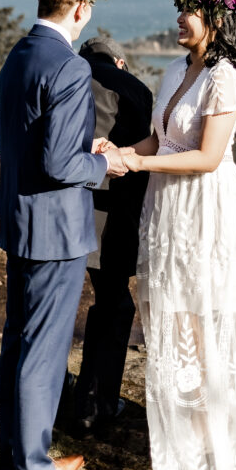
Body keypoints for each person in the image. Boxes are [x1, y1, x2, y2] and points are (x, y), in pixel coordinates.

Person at [0, 0, 128, 470]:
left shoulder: (20, 55)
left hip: (23, 222)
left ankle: (19, 459)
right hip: (56, 233)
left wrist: (77, 152)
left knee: (20, 344)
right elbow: (58, 161)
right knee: (43, 357)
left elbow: (11, 143)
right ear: (80, 8)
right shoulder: (71, 69)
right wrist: (103, 164)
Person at [122, 0, 236, 470]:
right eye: (180, 9)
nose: (179, 18)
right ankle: (178, 445)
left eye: (189, 11)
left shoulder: (224, 76)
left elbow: (206, 157)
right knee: (170, 316)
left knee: (203, 319)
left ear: (215, 21)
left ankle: (212, 457)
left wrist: (134, 163)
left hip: (204, 208)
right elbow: (160, 139)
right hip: (167, 206)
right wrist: (122, 152)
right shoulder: (175, 68)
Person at [73, 36, 153, 433]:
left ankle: (53, 394)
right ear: (119, 61)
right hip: (114, 218)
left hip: (67, 209)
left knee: (56, 307)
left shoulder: (68, 76)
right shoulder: (136, 88)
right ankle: (97, 402)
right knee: (114, 305)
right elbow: (143, 160)